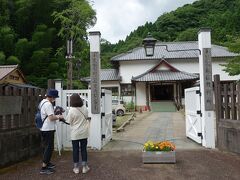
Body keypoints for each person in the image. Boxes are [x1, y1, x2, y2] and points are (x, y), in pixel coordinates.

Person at [39, 89, 64, 175]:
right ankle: (44, 167)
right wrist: (59, 116)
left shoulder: (42, 101)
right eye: (55, 97)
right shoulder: (48, 104)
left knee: (46, 147)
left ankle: (47, 162)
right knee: (49, 148)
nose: (55, 99)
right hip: (48, 128)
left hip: (43, 128)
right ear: (52, 97)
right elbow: (51, 118)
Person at [66, 93, 90, 174]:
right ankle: (84, 167)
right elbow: (87, 117)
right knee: (84, 149)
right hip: (84, 132)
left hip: (75, 133)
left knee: (75, 150)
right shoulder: (84, 108)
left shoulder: (71, 110)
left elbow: (68, 122)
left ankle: (76, 168)